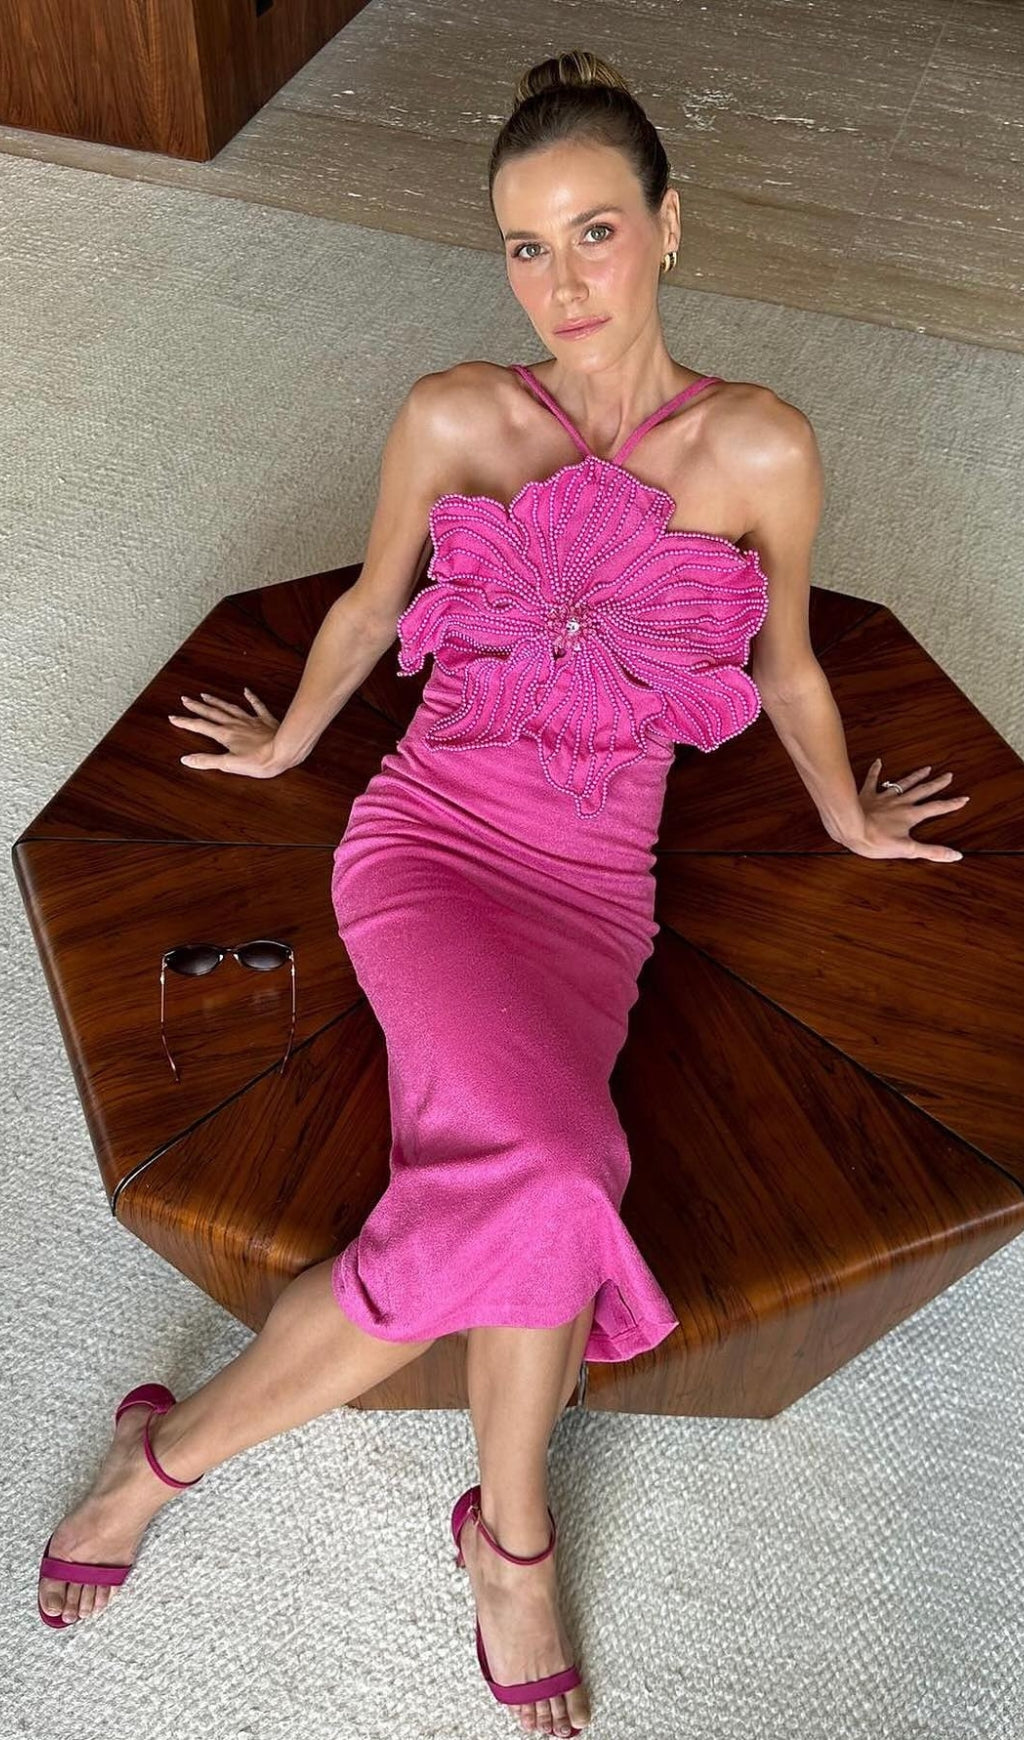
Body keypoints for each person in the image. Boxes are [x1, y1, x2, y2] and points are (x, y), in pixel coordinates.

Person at [36, 45, 971, 1740]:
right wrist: (291, 741)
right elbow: (368, 606)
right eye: (527, 248)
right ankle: (491, 1538)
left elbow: (790, 664)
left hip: (599, 891)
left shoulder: (762, 448)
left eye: (596, 233)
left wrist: (846, 820)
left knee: (533, 1179)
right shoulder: (459, 415)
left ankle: (177, 1461)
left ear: (670, 226)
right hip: (433, 851)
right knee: (560, 1166)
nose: (562, 285)